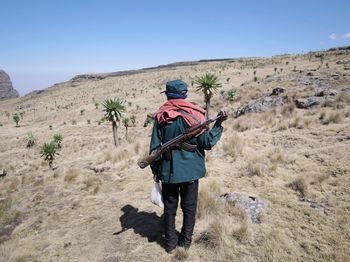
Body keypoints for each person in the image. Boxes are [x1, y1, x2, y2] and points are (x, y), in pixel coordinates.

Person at [149, 79, 227, 253]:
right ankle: (185, 243)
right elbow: (207, 142)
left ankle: (169, 244)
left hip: (169, 171)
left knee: (170, 208)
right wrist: (219, 125)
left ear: (168, 95)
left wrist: (155, 170)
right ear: (185, 95)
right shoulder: (196, 115)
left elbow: (154, 147)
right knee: (189, 208)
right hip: (191, 172)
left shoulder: (161, 116)